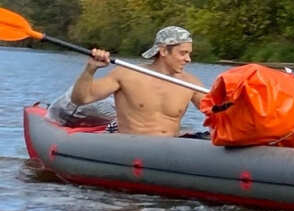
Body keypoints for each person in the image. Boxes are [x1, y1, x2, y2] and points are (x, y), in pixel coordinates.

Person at [69, 25, 208, 137]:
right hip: (134, 149)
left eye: (189, 54)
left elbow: (217, 111)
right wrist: (90, 69)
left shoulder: (190, 83)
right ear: (164, 51)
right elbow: (80, 99)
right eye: (183, 53)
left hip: (169, 151)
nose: (188, 59)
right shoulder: (127, 74)